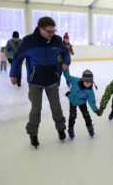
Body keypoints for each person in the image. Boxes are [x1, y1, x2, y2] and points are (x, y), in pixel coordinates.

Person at [9, 16, 71, 148]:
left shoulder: (57, 40)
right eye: (49, 31)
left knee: (56, 108)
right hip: (35, 81)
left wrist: (66, 62)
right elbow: (17, 58)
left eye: (53, 31)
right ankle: (33, 134)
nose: (52, 34)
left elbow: (66, 52)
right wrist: (13, 73)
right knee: (36, 109)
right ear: (40, 29)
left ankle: (61, 129)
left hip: (52, 80)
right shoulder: (28, 41)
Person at [63, 68, 101, 139]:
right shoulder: (75, 81)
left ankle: (90, 127)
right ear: (83, 80)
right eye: (87, 83)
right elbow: (67, 77)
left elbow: (91, 101)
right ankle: (70, 128)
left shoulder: (90, 91)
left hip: (82, 102)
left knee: (86, 115)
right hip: (72, 100)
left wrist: (96, 110)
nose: (88, 85)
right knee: (72, 115)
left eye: (90, 83)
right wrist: (65, 69)